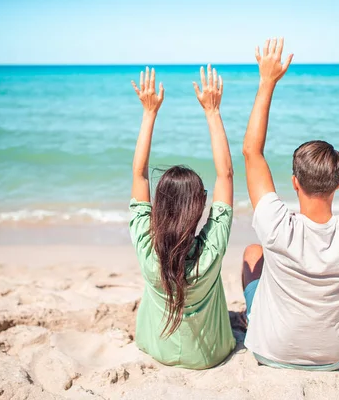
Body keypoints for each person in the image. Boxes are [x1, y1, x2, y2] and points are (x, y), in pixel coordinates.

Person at [241, 38, 339, 370]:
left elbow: (252, 152)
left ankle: (253, 317)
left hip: (268, 353)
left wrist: (267, 81)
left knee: (253, 254)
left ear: (294, 182)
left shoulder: (276, 226)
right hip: (334, 359)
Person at [129, 65, 236, 369]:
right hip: (210, 357)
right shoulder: (211, 251)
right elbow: (225, 175)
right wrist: (212, 111)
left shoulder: (147, 249)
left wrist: (149, 113)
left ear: (157, 206)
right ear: (200, 206)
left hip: (155, 348)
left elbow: (139, 173)